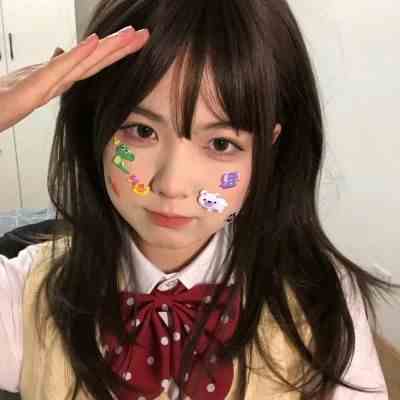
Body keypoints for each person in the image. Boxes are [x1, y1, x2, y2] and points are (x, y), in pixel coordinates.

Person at [0, 1, 398, 399]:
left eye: (221, 143)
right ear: (97, 128)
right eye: (141, 131)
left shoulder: (320, 298)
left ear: (267, 150)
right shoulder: (25, 295)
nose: (172, 185)